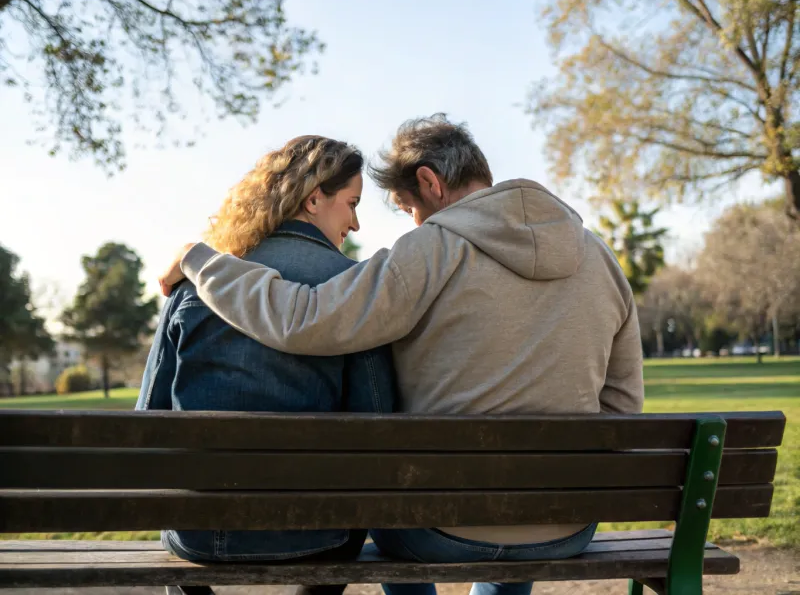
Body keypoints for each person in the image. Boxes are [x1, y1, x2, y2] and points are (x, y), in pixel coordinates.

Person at [158, 114, 645, 595]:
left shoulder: (433, 248)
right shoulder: (599, 257)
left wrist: (199, 259)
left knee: (380, 502)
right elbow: (623, 406)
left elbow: (303, 319)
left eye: (407, 208)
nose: (411, 222)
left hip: (440, 530)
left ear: (429, 183)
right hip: (567, 527)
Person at [137, 135, 396, 595]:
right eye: (352, 203)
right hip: (319, 535)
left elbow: (148, 419)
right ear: (314, 198)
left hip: (200, 534)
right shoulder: (354, 289)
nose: (355, 223)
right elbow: (376, 422)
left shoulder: (194, 283)